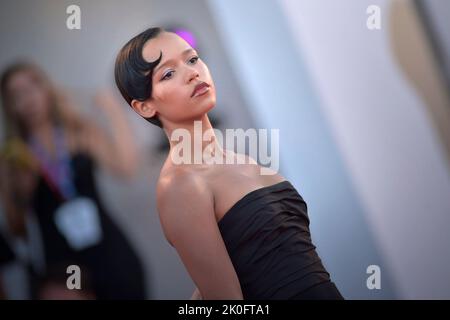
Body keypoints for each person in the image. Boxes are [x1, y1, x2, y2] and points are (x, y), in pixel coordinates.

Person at [114, 27, 343, 300]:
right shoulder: (180, 183)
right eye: (168, 74)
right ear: (144, 107)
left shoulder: (240, 160)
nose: (192, 73)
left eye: (192, 59)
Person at [0, 62, 147, 299]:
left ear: (46, 88)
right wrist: (23, 190)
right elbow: (16, 228)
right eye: (17, 95)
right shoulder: (12, 156)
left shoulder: (78, 131)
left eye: (32, 87)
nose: (28, 99)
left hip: (110, 254)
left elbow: (126, 168)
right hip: (62, 271)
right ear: (10, 106)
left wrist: (113, 111)